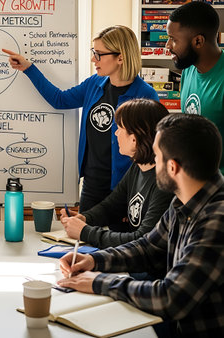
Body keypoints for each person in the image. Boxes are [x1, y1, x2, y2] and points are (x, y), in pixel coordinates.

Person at [58, 114, 224, 337]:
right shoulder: (184, 199)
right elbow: (148, 247)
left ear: (172, 167)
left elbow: (171, 297)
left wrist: (98, 282)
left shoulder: (217, 220)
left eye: (157, 156)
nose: (153, 163)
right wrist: (94, 261)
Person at [3, 25, 158, 212]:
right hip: (92, 183)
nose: (94, 59)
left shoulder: (145, 95)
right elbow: (59, 99)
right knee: (85, 238)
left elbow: (151, 148)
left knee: (120, 240)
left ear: (121, 57)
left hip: (126, 187)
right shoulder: (94, 83)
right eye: (94, 52)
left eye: (99, 54)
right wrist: (29, 68)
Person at [60, 98, 172, 249]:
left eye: (120, 128)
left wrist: (85, 232)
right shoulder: (137, 167)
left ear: (134, 139)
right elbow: (112, 206)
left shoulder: (164, 183)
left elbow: (143, 240)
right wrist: (85, 218)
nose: (116, 134)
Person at [166, 1, 224, 174]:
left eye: (173, 39)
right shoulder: (188, 70)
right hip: (193, 182)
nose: (167, 46)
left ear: (198, 41)